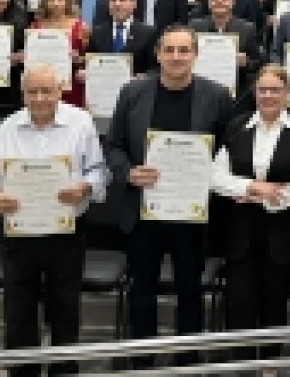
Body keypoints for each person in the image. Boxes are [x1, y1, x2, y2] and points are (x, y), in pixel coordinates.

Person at [106, 25, 234, 367]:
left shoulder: (217, 96)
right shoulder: (132, 93)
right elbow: (113, 146)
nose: (176, 57)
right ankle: (142, 364)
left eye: (184, 50)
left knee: (190, 292)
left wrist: (209, 176)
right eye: (170, 50)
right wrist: (128, 172)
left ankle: (187, 362)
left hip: (191, 215)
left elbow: (228, 152)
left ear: (195, 55)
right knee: (142, 291)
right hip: (143, 212)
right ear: (158, 54)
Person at [0, 64, 107, 377]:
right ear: (22, 94)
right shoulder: (9, 126)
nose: (39, 98)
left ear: (60, 91)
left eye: (46, 91)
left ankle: (64, 371)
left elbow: (99, 171)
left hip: (66, 233)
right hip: (19, 233)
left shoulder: (81, 122)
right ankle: (23, 373)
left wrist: (84, 188)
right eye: (32, 92)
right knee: (18, 310)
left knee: (65, 310)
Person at [211, 65, 290, 362]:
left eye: (275, 90)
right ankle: (242, 364)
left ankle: (270, 365)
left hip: (281, 231)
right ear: (254, 93)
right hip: (239, 232)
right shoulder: (236, 126)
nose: (268, 95)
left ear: (287, 94)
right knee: (240, 302)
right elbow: (215, 176)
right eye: (262, 89)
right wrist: (252, 187)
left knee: (274, 302)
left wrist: (271, 199)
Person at [190, 0, 265, 113]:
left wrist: (246, 62)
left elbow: (258, 63)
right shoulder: (195, 27)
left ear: (232, 2)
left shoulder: (247, 28)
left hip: (236, 97)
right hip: (201, 94)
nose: (219, 1)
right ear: (209, 2)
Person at [32, 0, 88, 108]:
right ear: (45, 2)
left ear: (67, 1)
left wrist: (78, 59)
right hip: (43, 87)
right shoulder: (36, 26)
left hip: (72, 87)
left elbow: (89, 59)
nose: (56, 3)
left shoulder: (81, 27)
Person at [87, 0, 157, 76]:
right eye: (113, 0)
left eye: (122, 0)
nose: (117, 4)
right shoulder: (97, 33)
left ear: (134, 3)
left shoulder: (149, 34)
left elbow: (155, 69)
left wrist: (144, 77)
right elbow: (91, 65)